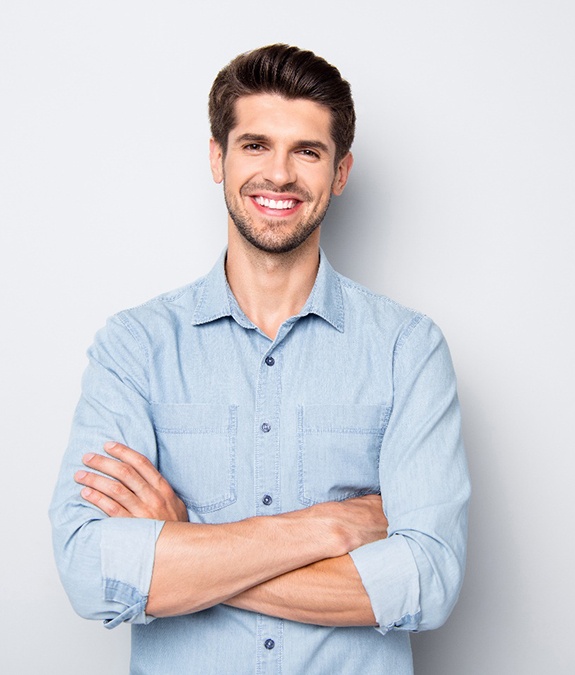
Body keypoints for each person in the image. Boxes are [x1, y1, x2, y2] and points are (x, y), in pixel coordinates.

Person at [50, 44, 470, 674]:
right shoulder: (135, 346)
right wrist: (325, 530)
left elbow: (427, 582)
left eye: (307, 151)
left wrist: (185, 548)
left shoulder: (406, 349)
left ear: (341, 170)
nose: (279, 174)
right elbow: (90, 570)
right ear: (217, 157)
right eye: (255, 145)